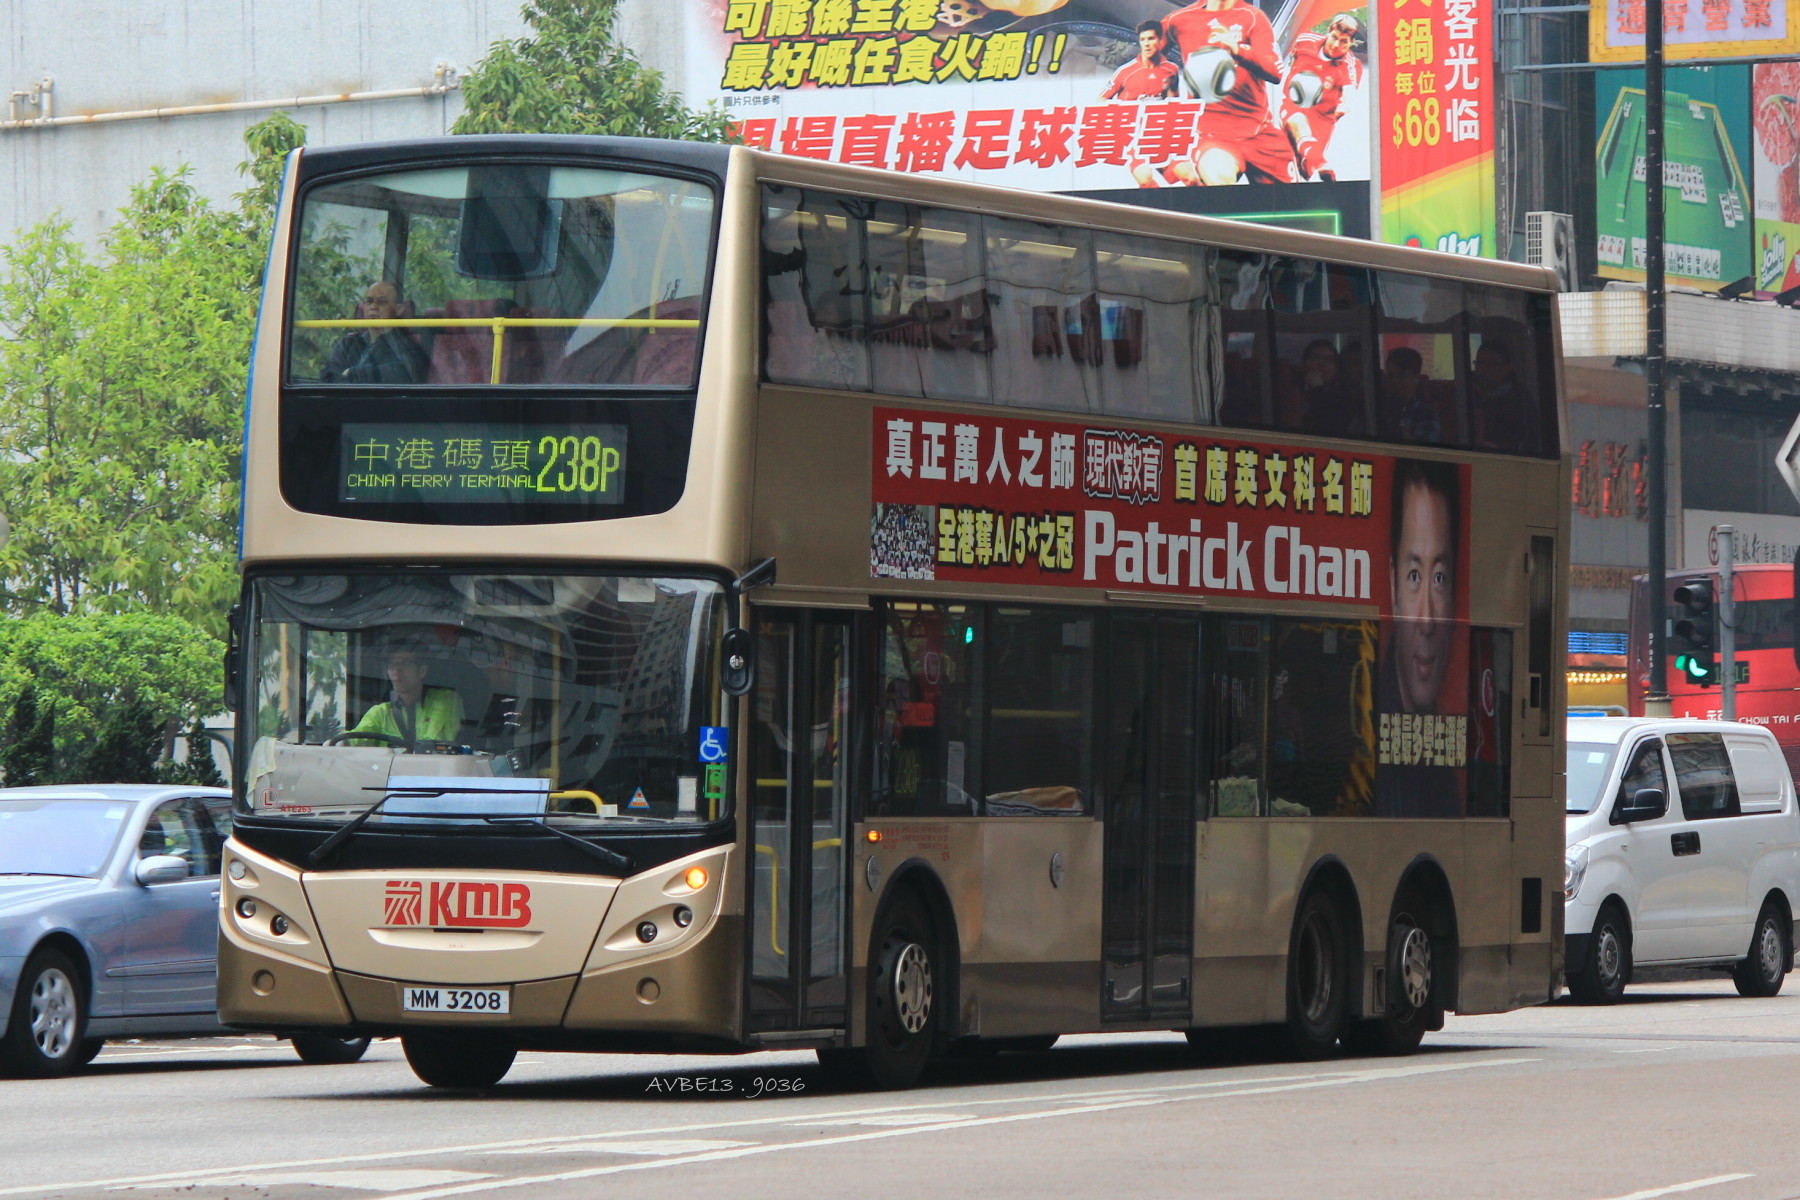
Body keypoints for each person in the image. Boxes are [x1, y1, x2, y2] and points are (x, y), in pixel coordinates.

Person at [1376, 459, 1464, 817]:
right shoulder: (1364, 730)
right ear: (1393, 585)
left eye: (1439, 578)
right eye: (1414, 576)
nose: (1427, 620)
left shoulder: (1440, 756)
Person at [1162, 0, 1293, 186]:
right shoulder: (1178, 20)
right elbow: (1144, 65)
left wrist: (1238, 49)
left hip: (1260, 132)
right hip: (1211, 136)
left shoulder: (1253, 17)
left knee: (1294, 205)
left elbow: (1275, 72)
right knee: (1220, 177)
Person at [1280, 13, 1363, 181]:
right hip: (1294, 106)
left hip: (1322, 119)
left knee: (1303, 172)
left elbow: (1349, 96)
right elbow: (1288, 60)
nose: (1336, 44)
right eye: (1334, 37)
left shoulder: (1350, 65)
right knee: (1295, 122)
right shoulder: (1304, 40)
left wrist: (1343, 107)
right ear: (1328, 32)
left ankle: (1314, 168)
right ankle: (1319, 163)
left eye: (1344, 42)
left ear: (1351, 43)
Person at [349, 642, 466, 748]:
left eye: (404, 664)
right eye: (391, 666)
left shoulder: (445, 700)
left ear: (422, 671)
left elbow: (433, 745)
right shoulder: (381, 712)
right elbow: (357, 737)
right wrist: (343, 743)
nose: (396, 671)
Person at [321, 281, 429, 384]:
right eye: (369, 301)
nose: (373, 307)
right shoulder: (348, 343)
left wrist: (350, 373)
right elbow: (327, 377)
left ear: (398, 309)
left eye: (382, 302)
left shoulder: (407, 347)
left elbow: (405, 375)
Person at [1470, 339, 1534, 452]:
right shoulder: (1466, 394)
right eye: (1480, 363)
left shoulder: (1521, 401)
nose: (1483, 369)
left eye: (1492, 364)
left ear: (1506, 369)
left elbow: (1526, 442)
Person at [1102, 20, 1179, 101]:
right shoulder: (1124, 71)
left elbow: (1173, 102)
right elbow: (1101, 101)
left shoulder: (1172, 69)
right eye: (1142, 39)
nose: (1146, 44)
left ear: (1160, 41)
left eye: (1151, 39)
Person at [1381, 346, 1441, 443]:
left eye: (1401, 375)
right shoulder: (1381, 406)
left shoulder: (1426, 412)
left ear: (1415, 376)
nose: (1394, 381)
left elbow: (1425, 452)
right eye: (1390, 375)